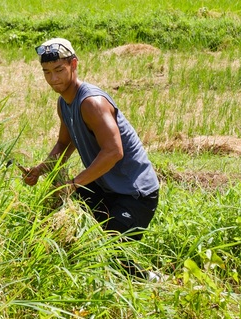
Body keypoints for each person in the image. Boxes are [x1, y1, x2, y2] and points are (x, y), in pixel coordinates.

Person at [22, 38, 161, 280]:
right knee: (59, 216)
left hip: (135, 194)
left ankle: (149, 281)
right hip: (108, 187)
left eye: (59, 70)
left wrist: (74, 183)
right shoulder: (64, 103)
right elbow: (65, 144)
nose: (53, 79)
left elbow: (114, 152)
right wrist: (40, 170)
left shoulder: (91, 103)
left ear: (73, 64)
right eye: (47, 72)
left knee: (105, 252)